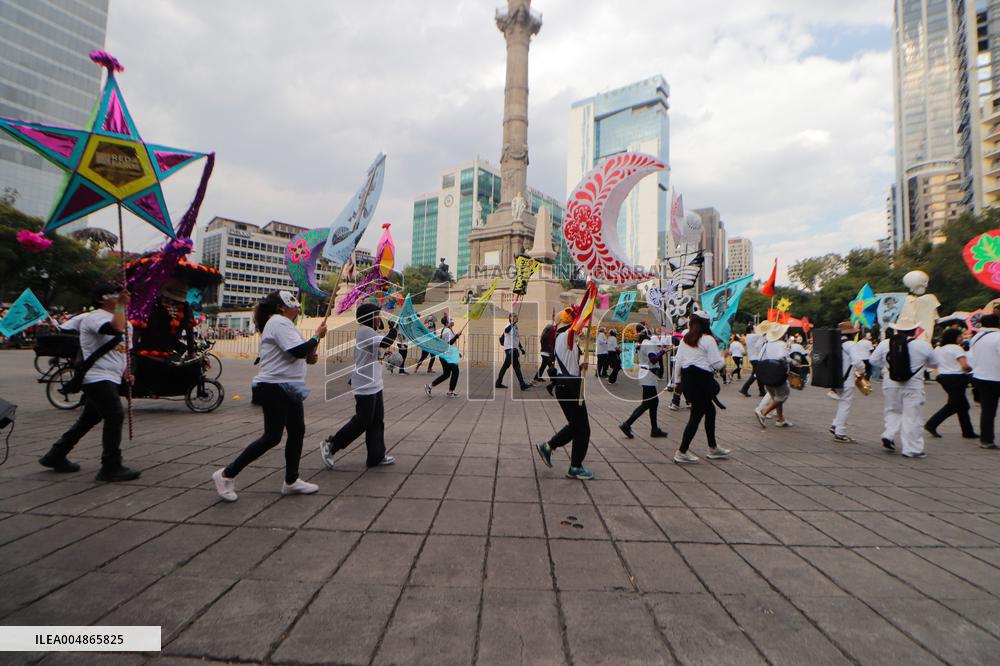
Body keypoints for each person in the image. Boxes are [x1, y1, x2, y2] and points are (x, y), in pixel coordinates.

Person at [212, 291, 327, 501]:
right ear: (281, 307)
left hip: (289, 387)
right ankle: (226, 474)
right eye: (291, 301)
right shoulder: (278, 322)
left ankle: (292, 480)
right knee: (272, 437)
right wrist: (316, 337)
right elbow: (298, 351)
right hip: (275, 387)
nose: (297, 304)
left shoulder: (285, 324)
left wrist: (311, 352)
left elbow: (302, 353)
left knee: (297, 431)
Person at [40, 283, 141, 481]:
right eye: (116, 295)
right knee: (114, 414)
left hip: (112, 377)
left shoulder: (126, 322)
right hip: (96, 376)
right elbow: (115, 329)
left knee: (88, 419)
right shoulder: (95, 317)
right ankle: (110, 466)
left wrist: (128, 371)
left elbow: (125, 351)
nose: (122, 298)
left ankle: (56, 454)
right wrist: (121, 306)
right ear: (101, 299)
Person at [320, 302, 398, 470]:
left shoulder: (370, 332)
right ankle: (331, 445)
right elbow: (386, 342)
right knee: (362, 421)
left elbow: (379, 348)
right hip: (365, 385)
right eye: (377, 315)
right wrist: (394, 329)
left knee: (377, 422)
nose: (379, 318)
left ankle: (376, 456)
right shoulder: (364, 331)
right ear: (369, 317)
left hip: (375, 383)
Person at [535, 306, 594, 479]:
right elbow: (576, 325)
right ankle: (575, 467)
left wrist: (578, 366)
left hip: (566, 385)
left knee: (576, 426)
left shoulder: (564, 338)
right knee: (583, 429)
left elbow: (567, 364)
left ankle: (548, 446)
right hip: (570, 387)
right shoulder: (567, 337)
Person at [870, 318, 939, 458]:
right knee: (912, 416)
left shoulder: (885, 344)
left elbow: (873, 361)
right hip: (913, 386)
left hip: (890, 384)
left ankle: (888, 434)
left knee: (893, 410)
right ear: (914, 330)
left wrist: (888, 365)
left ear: (897, 330)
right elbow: (935, 363)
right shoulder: (923, 346)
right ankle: (911, 448)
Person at [672, 311, 731, 464]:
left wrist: (677, 383)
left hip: (688, 380)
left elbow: (678, 361)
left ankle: (713, 447)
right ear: (707, 324)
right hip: (702, 380)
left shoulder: (685, 339)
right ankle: (682, 451)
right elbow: (717, 364)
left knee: (710, 411)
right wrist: (724, 355)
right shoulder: (708, 340)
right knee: (696, 416)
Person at [924, 327, 977, 440]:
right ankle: (931, 424)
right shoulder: (956, 348)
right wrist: (971, 369)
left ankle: (968, 431)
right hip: (956, 378)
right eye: (960, 336)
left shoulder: (939, 349)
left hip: (944, 377)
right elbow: (965, 365)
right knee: (955, 405)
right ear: (955, 337)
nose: (962, 338)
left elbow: (933, 364)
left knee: (961, 405)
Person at [619, 330, 669, 439]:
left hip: (645, 374)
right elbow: (653, 359)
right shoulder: (649, 344)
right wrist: (663, 351)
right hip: (648, 375)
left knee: (653, 402)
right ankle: (627, 424)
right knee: (647, 403)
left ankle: (654, 429)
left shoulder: (643, 344)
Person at [830, 321, 866, 443]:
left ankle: (835, 424)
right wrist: (862, 370)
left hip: (835, 379)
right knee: (845, 405)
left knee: (842, 402)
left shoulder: (835, 344)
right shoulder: (850, 344)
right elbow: (857, 361)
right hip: (847, 379)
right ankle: (840, 432)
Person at [754, 324, 795, 428]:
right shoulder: (781, 344)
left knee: (776, 398)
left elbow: (760, 357)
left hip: (766, 374)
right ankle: (763, 413)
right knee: (783, 395)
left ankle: (781, 419)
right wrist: (793, 362)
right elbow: (782, 357)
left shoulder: (767, 344)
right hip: (777, 374)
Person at [969, 314, 1000, 449]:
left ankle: (986, 439)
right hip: (996, 377)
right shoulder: (998, 337)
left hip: (981, 377)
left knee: (987, 410)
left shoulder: (976, 337)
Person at [425, 315, 461, 397]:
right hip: (447, 356)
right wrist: (456, 336)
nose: (453, 321)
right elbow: (448, 344)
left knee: (446, 374)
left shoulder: (446, 330)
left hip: (445, 355)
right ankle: (450, 392)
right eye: (451, 320)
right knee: (455, 372)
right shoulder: (447, 331)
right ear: (447, 322)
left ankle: (429, 386)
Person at [495, 313, 531, 390]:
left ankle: (498, 383)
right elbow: (506, 330)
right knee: (516, 367)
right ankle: (522, 385)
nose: (515, 317)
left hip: (514, 349)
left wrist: (521, 348)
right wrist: (512, 323)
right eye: (513, 316)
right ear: (510, 318)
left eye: (516, 316)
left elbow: (516, 339)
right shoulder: (508, 325)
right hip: (510, 349)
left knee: (505, 366)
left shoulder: (515, 327)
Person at [739, 324, 768, 398]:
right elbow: (763, 334)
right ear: (752, 330)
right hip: (756, 358)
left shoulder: (748, 336)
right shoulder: (752, 336)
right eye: (755, 329)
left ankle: (762, 391)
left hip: (753, 358)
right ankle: (744, 388)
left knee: (758, 374)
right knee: (755, 375)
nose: (756, 330)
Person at [534, 316, 558, 395]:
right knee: (551, 367)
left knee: (543, 366)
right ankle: (554, 380)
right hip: (546, 353)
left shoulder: (544, 335)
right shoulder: (546, 336)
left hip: (545, 353)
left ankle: (537, 377)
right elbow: (549, 345)